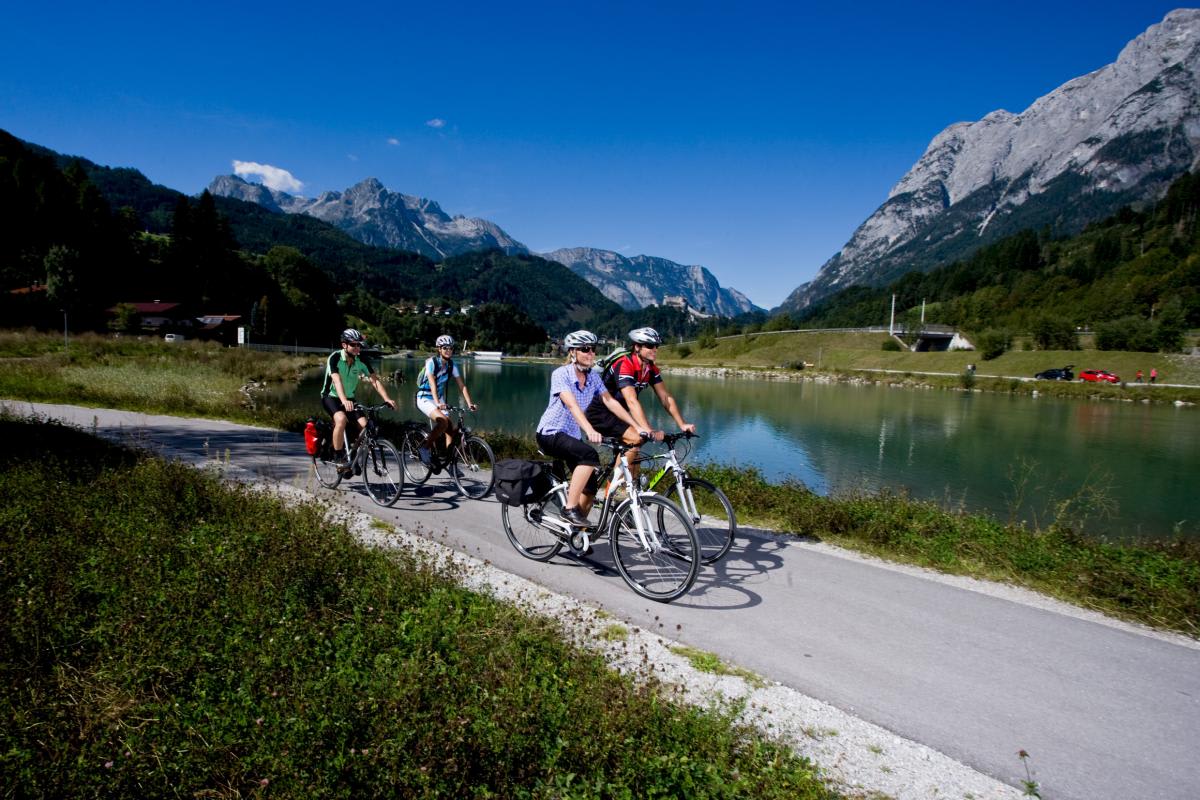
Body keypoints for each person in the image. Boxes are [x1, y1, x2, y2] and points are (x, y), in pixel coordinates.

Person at [535, 329, 645, 528]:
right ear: (572, 352)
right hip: (550, 433)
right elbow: (572, 405)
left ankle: (575, 531)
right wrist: (589, 429)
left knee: (591, 487)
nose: (591, 353)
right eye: (585, 349)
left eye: (593, 349)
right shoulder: (561, 374)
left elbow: (610, 402)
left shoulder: (593, 377)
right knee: (589, 456)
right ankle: (569, 509)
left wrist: (636, 426)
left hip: (570, 436)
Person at [585, 326, 694, 482]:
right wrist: (648, 429)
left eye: (657, 346)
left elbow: (665, 397)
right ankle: (613, 486)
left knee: (636, 445)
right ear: (637, 347)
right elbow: (631, 400)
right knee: (636, 438)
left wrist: (682, 424)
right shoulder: (624, 364)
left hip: (619, 413)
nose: (655, 349)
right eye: (650, 346)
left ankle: (633, 491)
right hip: (599, 412)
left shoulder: (650, 368)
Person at [320, 328, 396, 475]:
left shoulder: (361, 360)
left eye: (359, 345)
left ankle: (352, 455)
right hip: (331, 396)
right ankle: (338, 457)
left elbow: (375, 381)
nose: (357, 348)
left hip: (349, 398)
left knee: (365, 427)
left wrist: (387, 399)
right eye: (353, 345)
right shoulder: (335, 357)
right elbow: (336, 380)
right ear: (344, 345)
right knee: (341, 419)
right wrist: (343, 400)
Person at [415, 334, 477, 465]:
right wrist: (437, 403)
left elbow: (462, 385)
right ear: (439, 349)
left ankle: (449, 462)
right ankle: (424, 448)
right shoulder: (432, 362)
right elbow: (432, 383)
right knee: (443, 422)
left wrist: (470, 403)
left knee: (450, 429)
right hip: (424, 397)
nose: (448, 350)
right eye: (445, 348)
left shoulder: (451, 366)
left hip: (439, 399)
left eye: (450, 348)